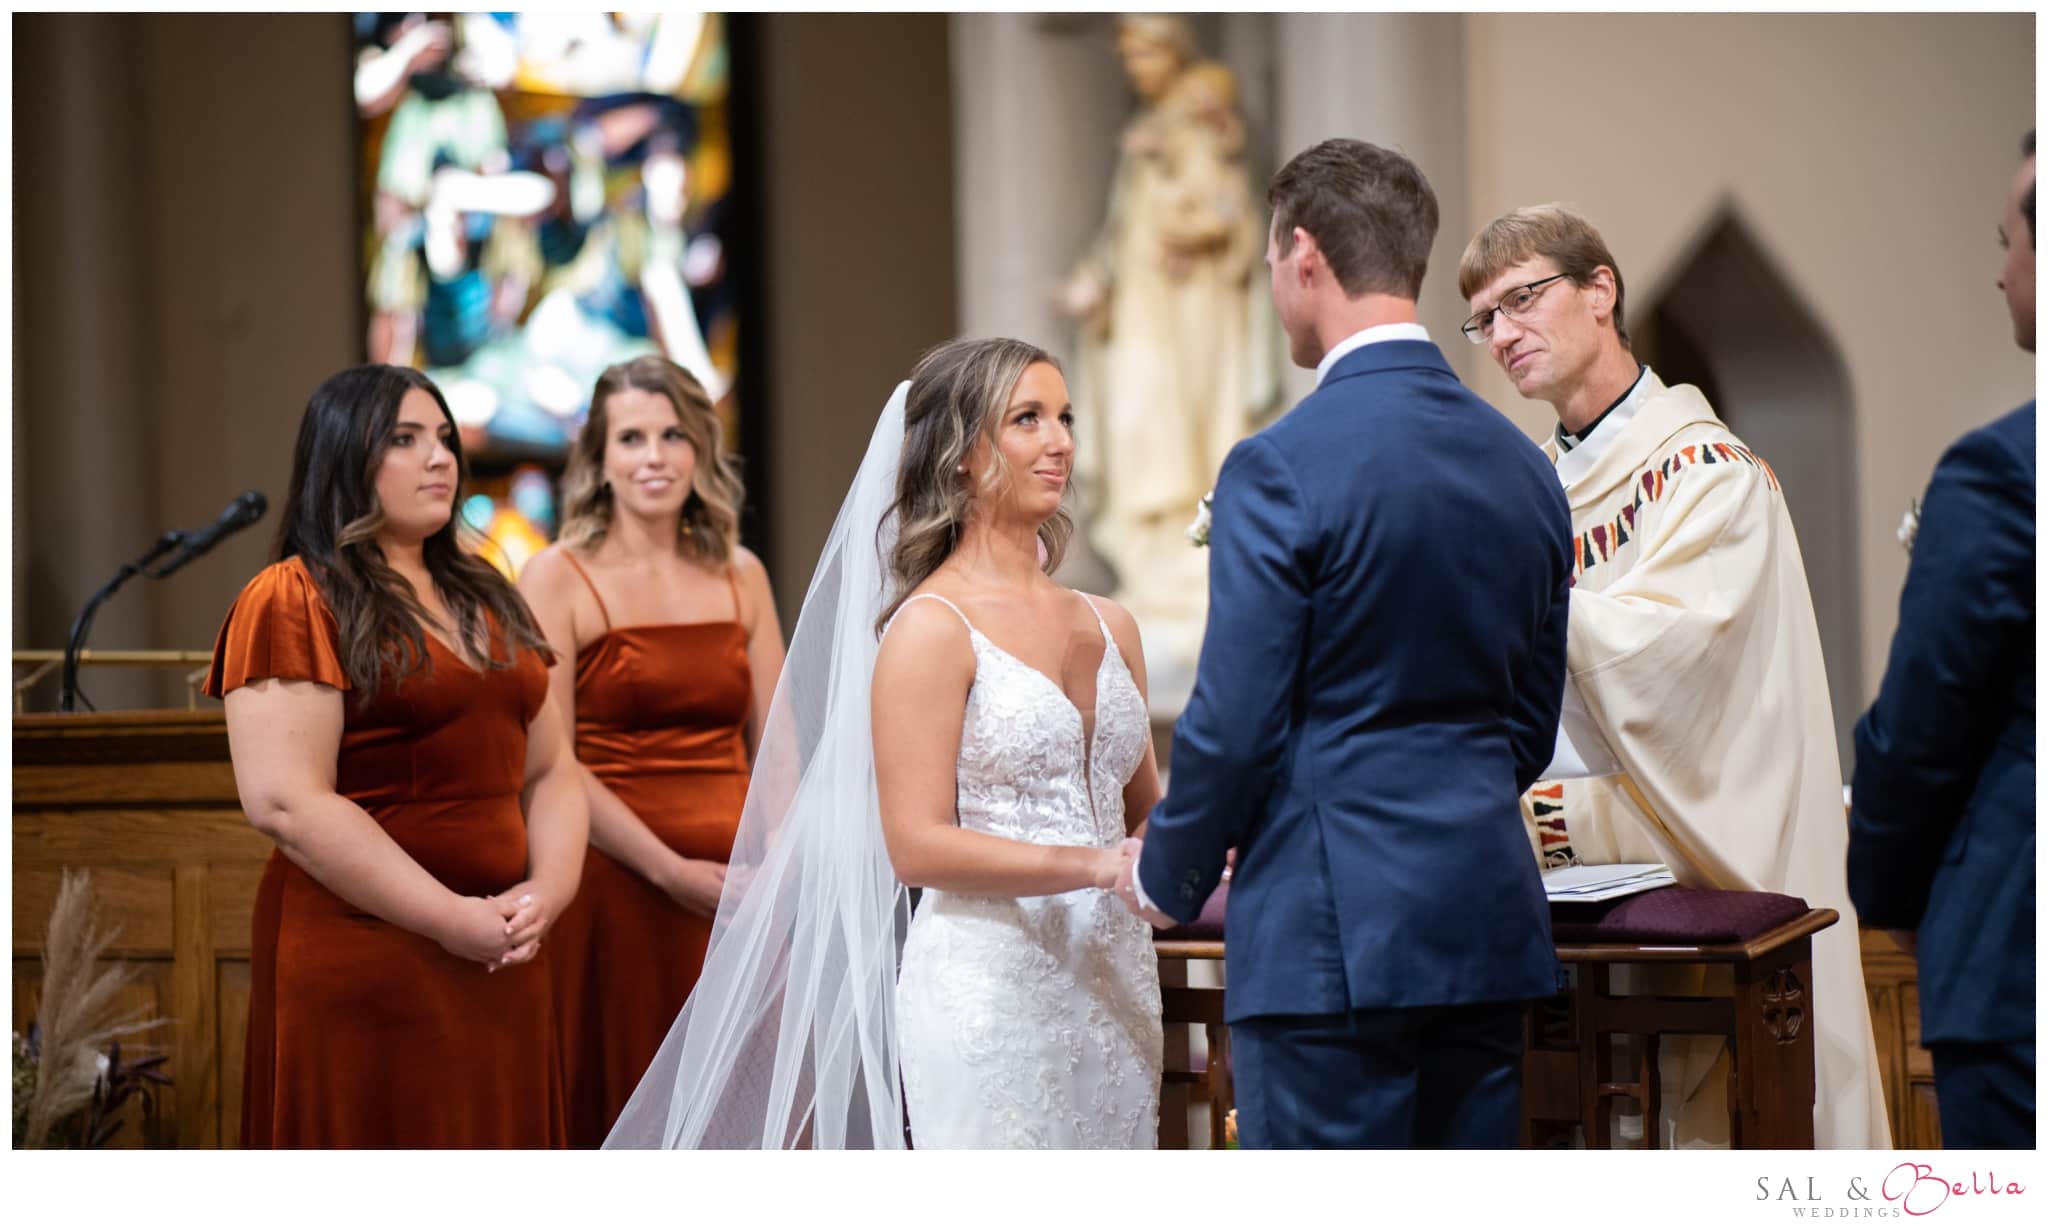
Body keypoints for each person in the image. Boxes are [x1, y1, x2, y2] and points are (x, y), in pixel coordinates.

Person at [1118, 138, 1574, 1149]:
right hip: (1484, 921)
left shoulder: (1280, 465)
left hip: (1330, 940)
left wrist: (1165, 873)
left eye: (1272, 264)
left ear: (1303, 257)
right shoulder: (1522, 467)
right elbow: (1526, 727)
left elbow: (1234, 721)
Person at [605, 338, 1162, 1148]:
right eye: (1028, 419)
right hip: (991, 995)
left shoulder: (1114, 624)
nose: (1060, 441)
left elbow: (1143, 810)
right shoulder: (931, 629)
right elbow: (918, 845)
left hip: (1115, 986)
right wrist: (1094, 865)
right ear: (964, 455)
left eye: (1065, 417)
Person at [1456, 204, 1890, 1148]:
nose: (1503, 334)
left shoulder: (1707, 473)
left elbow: (1674, 663)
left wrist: (1511, 603)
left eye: (1522, 299)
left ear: (1601, 289)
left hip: (1705, 861)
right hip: (1570, 888)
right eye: (1483, 318)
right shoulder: (1531, 486)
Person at [205, 364, 587, 1146]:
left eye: (444, 438)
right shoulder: (292, 596)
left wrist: (546, 891)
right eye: (406, 440)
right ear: (345, 457)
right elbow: (286, 802)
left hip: (505, 956)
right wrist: (451, 918)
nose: (440, 457)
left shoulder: (489, 593)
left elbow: (551, 770)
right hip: (372, 956)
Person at [519, 356, 784, 1146]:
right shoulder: (554, 576)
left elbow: (779, 751)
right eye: (630, 437)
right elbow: (550, 761)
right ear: (598, 458)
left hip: (740, 892)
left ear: (700, 450)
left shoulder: (742, 574)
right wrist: (669, 870)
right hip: (617, 886)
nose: (654, 456)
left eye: (673, 435)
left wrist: (777, 877)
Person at [1848, 131, 2036, 1149]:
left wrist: (1884, 890)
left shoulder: (2004, 473)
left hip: (2017, 954)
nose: (1998, 266)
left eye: (2007, 237)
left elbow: (1918, 729)